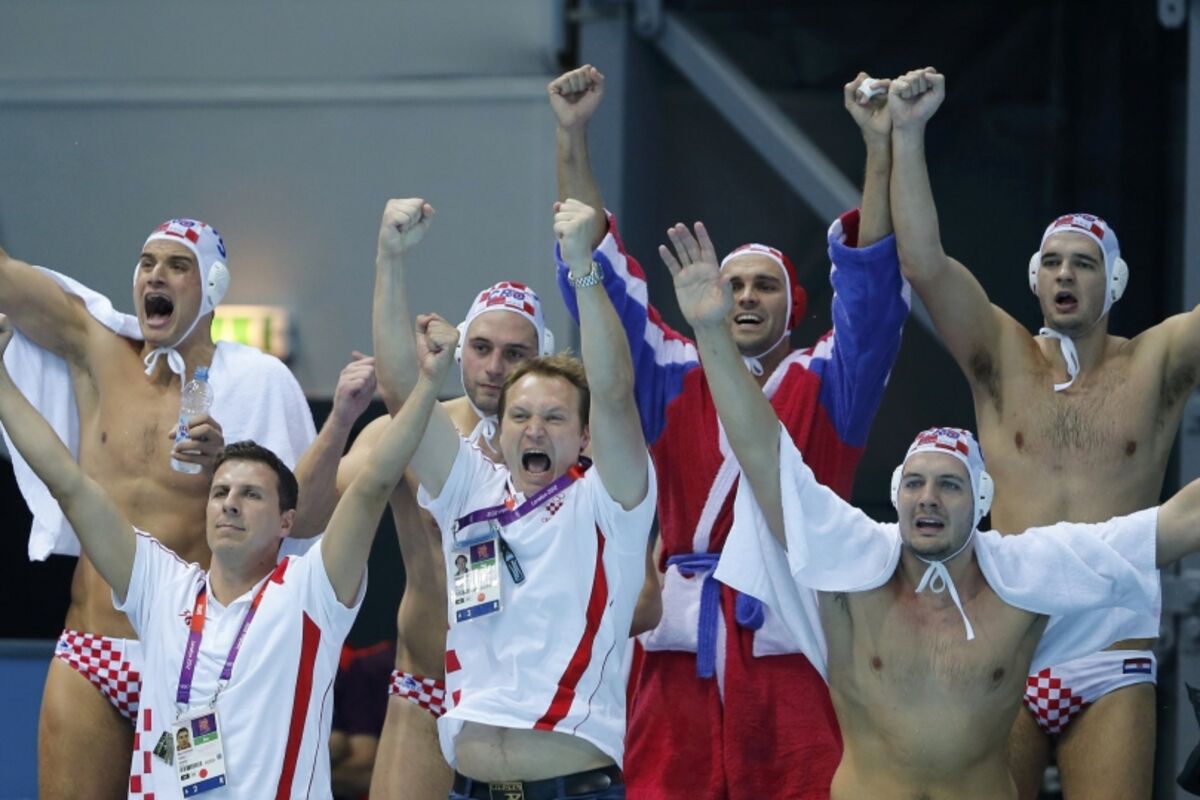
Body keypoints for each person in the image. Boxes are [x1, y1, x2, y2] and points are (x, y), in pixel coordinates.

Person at [653, 222, 1188, 799]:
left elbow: (1179, 523)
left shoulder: (1025, 571)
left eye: (950, 486)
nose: (928, 497)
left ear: (981, 502)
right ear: (895, 493)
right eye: (915, 483)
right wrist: (710, 332)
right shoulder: (853, 560)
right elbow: (762, 450)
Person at [548, 63, 908, 798]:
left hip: (792, 642)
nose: (744, 295)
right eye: (733, 283)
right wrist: (572, 134)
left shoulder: (828, 382)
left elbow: (872, 294)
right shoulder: (672, 370)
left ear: (794, 305)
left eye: (763, 285)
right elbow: (595, 271)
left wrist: (880, 148)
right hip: (681, 649)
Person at [886, 66, 1200, 798]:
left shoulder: (1155, 363)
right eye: (1052, 263)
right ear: (1035, 278)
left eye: (1083, 264)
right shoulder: (1002, 357)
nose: (1065, 275)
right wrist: (907, 134)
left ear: (1112, 282)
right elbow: (923, 263)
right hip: (1008, 636)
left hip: (1111, 641)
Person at [0, 305, 456, 799]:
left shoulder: (311, 591)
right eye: (220, 492)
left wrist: (426, 384)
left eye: (251, 494)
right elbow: (67, 483)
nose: (230, 504)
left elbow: (373, 483)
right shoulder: (161, 585)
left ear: (286, 521)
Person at [0, 219, 316, 799]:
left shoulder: (256, 382)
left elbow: (300, 517)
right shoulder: (97, 351)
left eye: (177, 265)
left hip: (191, 663)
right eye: (147, 263)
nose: (156, 276)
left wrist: (225, 461)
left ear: (212, 287)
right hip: (92, 648)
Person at [290, 198, 560, 800]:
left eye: (515, 354)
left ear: (541, 359)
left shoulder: (566, 452)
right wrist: (340, 421)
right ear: (459, 350)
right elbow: (301, 519)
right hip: (425, 687)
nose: (494, 367)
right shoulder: (409, 434)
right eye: (481, 347)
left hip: (525, 700)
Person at [390, 200, 654, 797]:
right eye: (520, 416)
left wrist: (583, 268)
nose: (534, 430)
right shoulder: (469, 491)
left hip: (572, 783)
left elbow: (614, 391)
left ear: (584, 437)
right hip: (471, 785)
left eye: (555, 418)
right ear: (499, 428)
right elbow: (402, 389)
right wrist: (389, 257)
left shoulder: (608, 503)